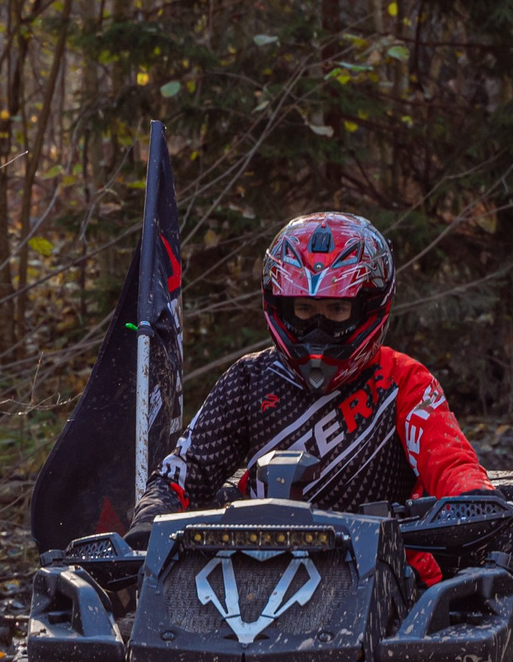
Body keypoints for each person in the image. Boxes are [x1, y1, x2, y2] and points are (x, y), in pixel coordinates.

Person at [129, 213, 490, 582]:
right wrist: (152, 514)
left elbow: (450, 462)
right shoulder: (249, 379)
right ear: (281, 307)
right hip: (252, 575)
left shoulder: (403, 380)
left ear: (369, 306)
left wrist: (472, 497)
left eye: (336, 310)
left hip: (381, 578)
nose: (317, 329)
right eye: (304, 310)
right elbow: (184, 473)